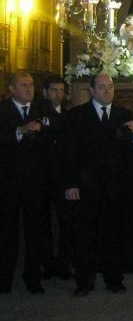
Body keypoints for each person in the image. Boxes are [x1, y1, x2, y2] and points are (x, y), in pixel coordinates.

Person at [64, 74, 133, 296]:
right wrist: (71, 184)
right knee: (84, 236)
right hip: (86, 186)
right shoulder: (77, 115)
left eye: (110, 87)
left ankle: (114, 278)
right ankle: (84, 281)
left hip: (115, 187)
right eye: (102, 87)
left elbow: (132, 150)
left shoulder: (123, 114)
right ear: (92, 91)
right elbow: (69, 154)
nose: (107, 91)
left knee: (114, 235)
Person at [0, 72, 49, 294]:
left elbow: (57, 125)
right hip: (8, 182)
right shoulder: (2, 110)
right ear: (11, 89)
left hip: (35, 182)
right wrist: (19, 132)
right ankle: (4, 277)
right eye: (23, 85)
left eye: (31, 85)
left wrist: (42, 125)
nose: (29, 89)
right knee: (7, 232)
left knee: (35, 231)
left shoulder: (40, 108)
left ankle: (33, 277)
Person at [39, 75, 73, 280]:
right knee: (43, 223)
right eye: (54, 90)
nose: (58, 95)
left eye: (61, 91)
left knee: (66, 222)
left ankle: (63, 262)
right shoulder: (36, 112)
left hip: (62, 176)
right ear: (45, 92)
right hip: (42, 176)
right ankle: (47, 262)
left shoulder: (69, 115)